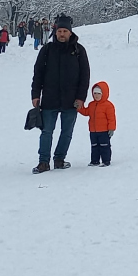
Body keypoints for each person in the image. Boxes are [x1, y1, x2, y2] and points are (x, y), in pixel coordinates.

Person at [30, 14, 91, 174]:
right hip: (49, 99)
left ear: (70, 32)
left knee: (67, 132)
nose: (62, 34)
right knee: (46, 132)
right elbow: (38, 74)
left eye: (65, 31)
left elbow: (85, 76)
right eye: (59, 31)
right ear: (55, 32)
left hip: (71, 101)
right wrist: (35, 95)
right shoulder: (47, 50)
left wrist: (80, 98)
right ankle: (43, 162)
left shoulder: (79, 50)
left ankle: (59, 159)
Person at [78, 81, 116, 167]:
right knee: (94, 146)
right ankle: (95, 161)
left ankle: (106, 160)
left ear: (104, 93)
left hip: (104, 131)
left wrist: (111, 128)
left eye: (99, 93)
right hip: (93, 130)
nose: (96, 95)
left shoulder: (108, 105)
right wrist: (79, 108)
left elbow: (111, 118)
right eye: (94, 93)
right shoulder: (91, 104)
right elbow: (86, 112)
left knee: (104, 146)